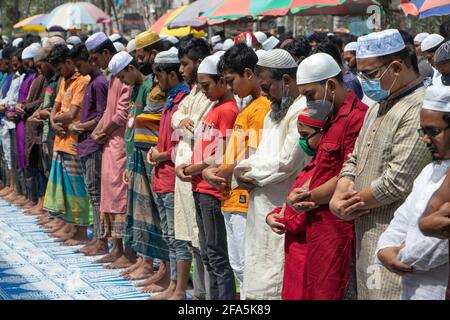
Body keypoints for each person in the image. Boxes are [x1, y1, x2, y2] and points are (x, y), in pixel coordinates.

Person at [330, 29, 432, 300]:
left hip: (394, 236)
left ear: (396, 67)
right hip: (364, 230)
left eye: (370, 74)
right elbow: (355, 156)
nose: (364, 82)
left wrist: (346, 205)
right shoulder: (378, 105)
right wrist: (341, 189)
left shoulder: (419, 107)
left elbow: (397, 181)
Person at [292, 52, 369, 300]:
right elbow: (321, 166)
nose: (307, 102)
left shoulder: (357, 118)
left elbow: (350, 172)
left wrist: (310, 195)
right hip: (319, 227)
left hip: (339, 228)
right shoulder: (330, 117)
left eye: (309, 95)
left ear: (331, 85)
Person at [233, 48, 307, 300]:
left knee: (275, 278)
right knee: (257, 274)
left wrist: (247, 173)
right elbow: (263, 154)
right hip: (260, 203)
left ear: (286, 81)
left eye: (267, 87)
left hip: (280, 203)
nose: (263, 93)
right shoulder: (275, 110)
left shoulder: (300, 110)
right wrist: (241, 170)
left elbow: (287, 162)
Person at [201, 44, 272, 299]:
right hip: (230, 194)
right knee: (239, 265)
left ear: (248, 74)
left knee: (247, 267)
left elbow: (251, 156)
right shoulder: (248, 106)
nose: (230, 88)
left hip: (242, 197)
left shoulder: (262, 107)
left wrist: (216, 172)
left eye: (231, 81)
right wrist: (215, 170)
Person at [376, 85, 450, 300]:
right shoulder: (429, 171)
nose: (426, 139)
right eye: (423, 131)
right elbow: (403, 219)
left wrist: (404, 256)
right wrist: (385, 249)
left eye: (433, 131)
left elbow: (443, 240)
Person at [176, 50, 239, 301]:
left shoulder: (227, 110)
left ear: (222, 82)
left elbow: (220, 153)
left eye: (206, 85)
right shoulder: (215, 107)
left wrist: (192, 169)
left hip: (211, 191)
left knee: (216, 256)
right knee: (208, 253)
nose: (203, 90)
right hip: (200, 187)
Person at [265, 102, 329, 300]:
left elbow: (299, 214)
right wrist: (274, 215)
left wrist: (280, 218)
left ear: (323, 132)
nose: (302, 142)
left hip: (306, 256)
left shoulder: (323, 171)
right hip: (296, 254)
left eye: (305, 136)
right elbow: (290, 206)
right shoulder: (313, 163)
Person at [169, 37, 215, 300]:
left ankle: (208, 296)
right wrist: (182, 119)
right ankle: (198, 294)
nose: (182, 70)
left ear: (199, 63)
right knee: (192, 238)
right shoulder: (195, 92)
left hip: (199, 173)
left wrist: (186, 121)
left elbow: (203, 130)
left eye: (185, 64)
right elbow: (179, 115)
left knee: (206, 243)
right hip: (186, 172)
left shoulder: (211, 95)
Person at [147, 47, 191, 300]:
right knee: (169, 235)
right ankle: (174, 284)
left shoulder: (184, 100)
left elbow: (181, 145)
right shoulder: (170, 100)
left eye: (159, 75)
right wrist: (157, 151)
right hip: (162, 176)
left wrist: (161, 154)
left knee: (179, 237)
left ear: (172, 74)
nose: (156, 81)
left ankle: (181, 289)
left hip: (174, 177)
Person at [85, 32, 131, 268]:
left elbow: (121, 114)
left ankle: (124, 250)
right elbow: (108, 112)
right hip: (109, 144)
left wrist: (103, 131)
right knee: (108, 195)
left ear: (106, 53)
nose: (95, 63)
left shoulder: (122, 75)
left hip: (119, 144)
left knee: (119, 195)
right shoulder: (113, 76)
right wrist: (99, 131)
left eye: (96, 58)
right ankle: (115, 247)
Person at [43, 44, 92, 246]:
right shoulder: (64, 80)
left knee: (77, 190)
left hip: (73, 143)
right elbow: (55, 107)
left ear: (69, 62)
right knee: (64, 191)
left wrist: (56, 120)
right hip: (61, 140)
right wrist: (54, 122)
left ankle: (81, 230)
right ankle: (71, 226)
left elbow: (72, 113)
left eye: (61, 68)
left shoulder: (82, 81)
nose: (60, 73)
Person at [67, 44, 109, 254]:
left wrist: (79, 126)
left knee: (96, 195)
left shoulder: (100, 82)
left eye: (79, 65)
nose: (77, 70)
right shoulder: (92, 82)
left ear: (90, 60)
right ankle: (98, 238)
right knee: (92, 194)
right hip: (85, 145)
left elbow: (101, 117)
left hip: (93, 145)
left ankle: (101, 241)